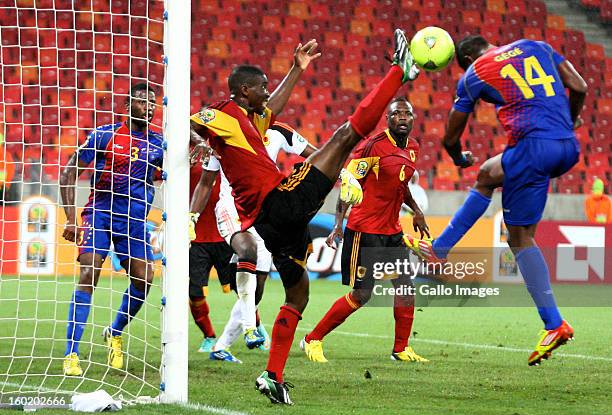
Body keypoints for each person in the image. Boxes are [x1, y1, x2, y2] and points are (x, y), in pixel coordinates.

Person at [191, 30, 419, 404]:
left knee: (298, 297)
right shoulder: (224, 113)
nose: (267, 92)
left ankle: (273, 376)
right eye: (261, 87)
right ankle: (399, 71)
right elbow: (190, 123)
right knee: (345, 137)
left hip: (275, 224)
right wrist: (198, 140)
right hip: (279, 203)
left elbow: (272, 109)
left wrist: (296, 70)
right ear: (244, 91)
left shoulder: (247, 121)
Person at [406, 35, 588, 366]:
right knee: (489, 175)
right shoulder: (536, 45)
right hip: (566, 146)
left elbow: (450, 135)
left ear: (464, 58)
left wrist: (456, 156)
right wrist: (571, 120)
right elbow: (579, 86)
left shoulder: (474, 72)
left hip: (532, 149)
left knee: (519, 238)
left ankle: (553, 323)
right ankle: (439, 251)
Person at [301, 97, 430, 364]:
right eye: (397, 114)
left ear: (414, 119)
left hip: (391, 232)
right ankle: (312, 338)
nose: (403, 118)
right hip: (364, 231)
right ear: (388, 119)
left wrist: (416, 210)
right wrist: (338, 224)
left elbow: (401, 185)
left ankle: (400, 349)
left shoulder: (414, 149)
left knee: (405, 288)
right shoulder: (371, 147)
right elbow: (349, 183)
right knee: (362, 295)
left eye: (407, 113)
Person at [192, 122, 318, 363]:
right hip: (230, 208)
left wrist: (339, 175)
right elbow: (206, 182)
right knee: (246, 250)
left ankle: (221, 347)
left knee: (256, 291)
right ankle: (251, 328)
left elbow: (316, 156)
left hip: (262, 214)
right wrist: (192, 217)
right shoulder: (224, 133)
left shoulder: (279, 132)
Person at [60, 83, 163, 376]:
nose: (150, 107)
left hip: (134, 220)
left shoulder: (158, 143)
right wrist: (70, 218)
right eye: (143, 102)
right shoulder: (104, 135)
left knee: (144, 280)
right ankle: (71, 354)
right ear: (127, 107)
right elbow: (68, 173)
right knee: (88, 272)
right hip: (101, 214)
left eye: (153, 102)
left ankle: (115, 332)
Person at [188, 147, 235, 354]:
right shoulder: (188, 156)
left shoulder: (228, 150)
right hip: (196, 237)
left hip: (227, 232)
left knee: (243, 286)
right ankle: (208, 336)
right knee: (194, 292)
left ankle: (256, 328)